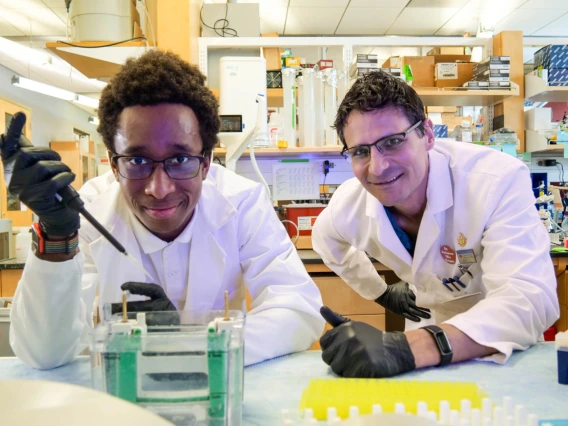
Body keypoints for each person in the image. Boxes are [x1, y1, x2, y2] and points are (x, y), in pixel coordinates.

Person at [2, 50, 324, 370]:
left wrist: (191, 345)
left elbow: (298, 309)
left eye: (180, 160)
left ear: (207, 162)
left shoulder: (242, 203)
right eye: (137, 161)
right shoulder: (90, 212)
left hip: (217, 393)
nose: (159, 188)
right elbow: (45, 353)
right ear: (114, 166)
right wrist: (56, 236)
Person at [312, 71, 559, 378]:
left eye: (392, 142)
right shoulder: (349, 206)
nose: (378, 166)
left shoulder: (495, 180)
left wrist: (407, 348)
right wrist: (380, 292)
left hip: (501, 341)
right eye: (361, 151)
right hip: (424, 338)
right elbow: (326, 244)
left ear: (427, 134)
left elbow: (530, 299)